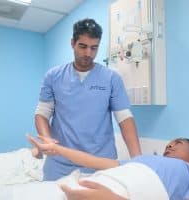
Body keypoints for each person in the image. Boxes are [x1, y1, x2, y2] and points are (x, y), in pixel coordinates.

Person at [34, 18, 141, 181]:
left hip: (100, 164)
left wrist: (138, 161)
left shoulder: (111, 78)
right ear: (72, 43)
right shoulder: (54, 76)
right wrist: (47, 140)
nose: (88, 53)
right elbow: (42, 113)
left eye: (94, 48)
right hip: (60, 163)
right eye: (82, 46)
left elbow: (124, 118)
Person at [28, 135, 189, 200]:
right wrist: (55, 149)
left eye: (178, 143)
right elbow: (91, 161)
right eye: (168, 144)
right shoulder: (142, 159)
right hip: (91, 185)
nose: (169, 145)